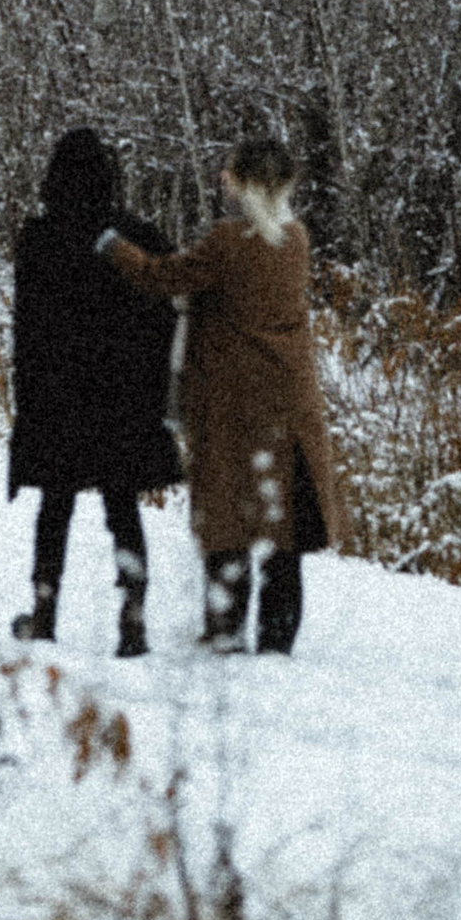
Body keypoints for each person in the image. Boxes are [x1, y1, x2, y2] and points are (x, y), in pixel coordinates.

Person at [95, 130, 346, 656]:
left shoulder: (227, 244)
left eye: (230, 172)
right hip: (290, 399)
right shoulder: (295, 240)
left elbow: (161, 277)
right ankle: (277, 642)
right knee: (282, 529)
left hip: (233, 401)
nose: (222, 178)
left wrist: (112, 245)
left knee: (229, 515)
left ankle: (225, 630)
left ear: (246, 184)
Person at [5, 124, 182, 656]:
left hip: (58, 397)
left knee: (55, 508)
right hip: (120, 398)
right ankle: (133, 620)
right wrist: (153, 393)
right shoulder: (137, 237)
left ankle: (44, 611)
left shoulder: (37, 238)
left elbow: (27, 326)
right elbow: (166, 315)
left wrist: (27, 396)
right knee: (122, 506)